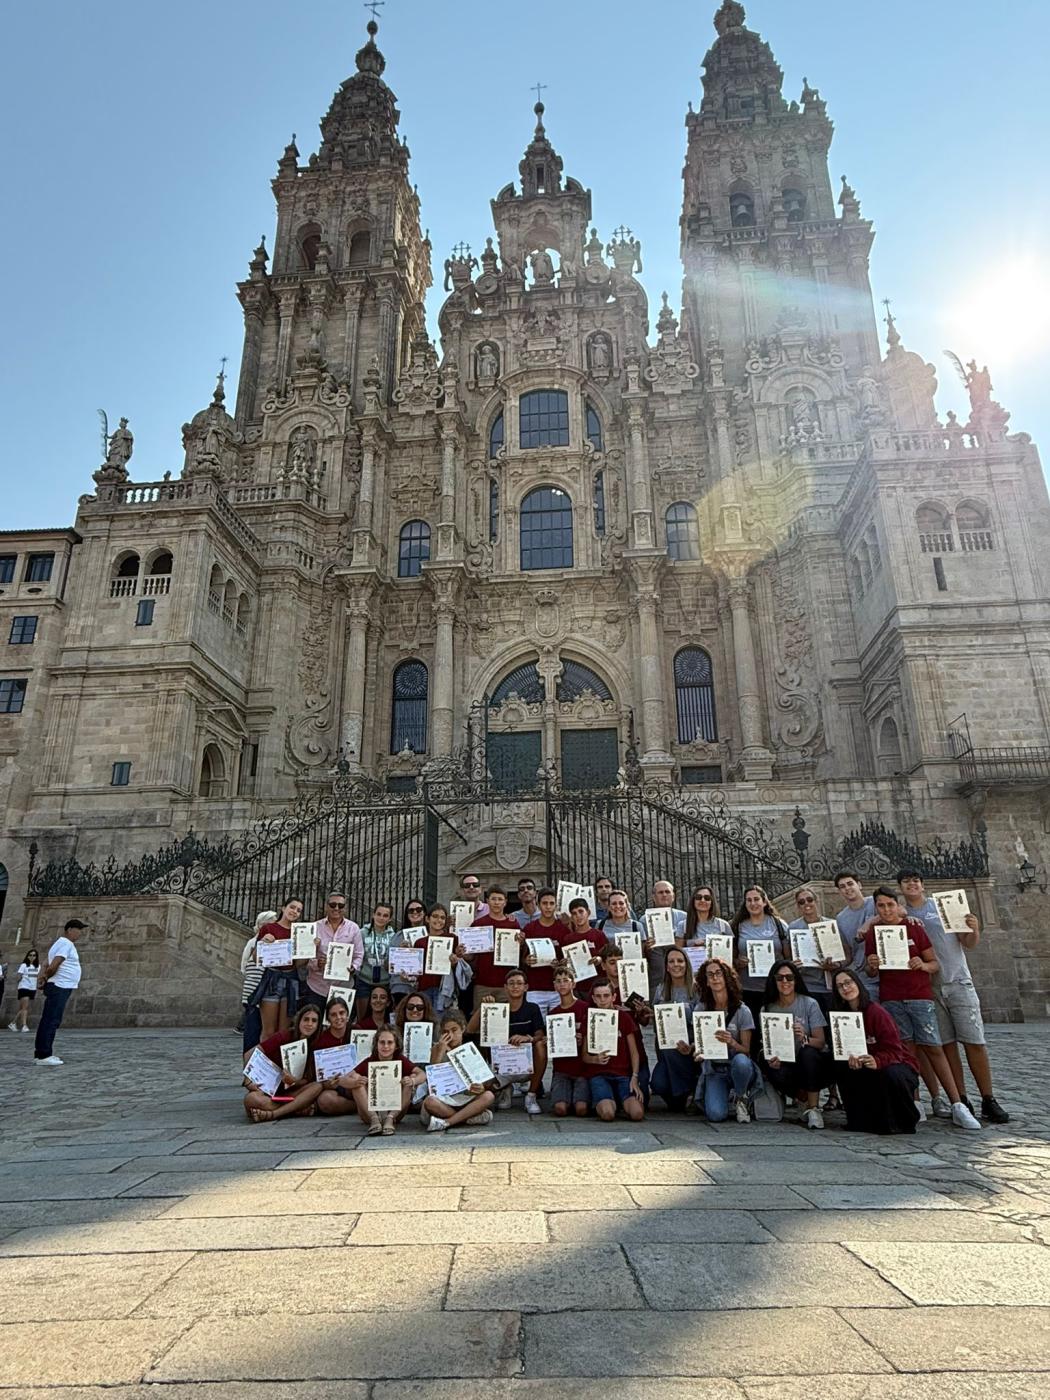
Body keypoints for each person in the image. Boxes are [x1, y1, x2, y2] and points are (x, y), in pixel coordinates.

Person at [863, 886, 981, 1130]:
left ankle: (957, 1103)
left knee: (934, 1047)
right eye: (881, 906)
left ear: (897, 905)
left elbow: (934, 963)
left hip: (919, 996)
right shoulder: (874, 933)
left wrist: (922, 965)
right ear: (876, 909)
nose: (886, 909)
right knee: (907, 1049)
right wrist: (872, 965)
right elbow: (871, 971)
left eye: (889, 904)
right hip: (892, 997)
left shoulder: (914, 927)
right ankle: (915, 1102)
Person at [898, 869, 1008, 1123]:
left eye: (915, 880)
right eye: (906, 882)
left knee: (974, 1041)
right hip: (929, 988)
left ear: (923, 885)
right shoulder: (901, 914)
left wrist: (975, 928)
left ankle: (988, 1098)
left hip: (957, 980)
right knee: (946, 1045)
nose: (912, 884)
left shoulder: (943, 907)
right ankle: (961, 1097)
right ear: (900, 888)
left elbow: (968, 942)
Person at [829, 969, 920, 1135]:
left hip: (896, 1064)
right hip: (863, 1063)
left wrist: (877, 1060)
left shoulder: (876, 1012)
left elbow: (895, 1050)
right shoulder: (841, 1017)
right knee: (841, 1067)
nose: (845, 988)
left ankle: (902, 1120)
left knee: (890, 1073)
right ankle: (859, 1120)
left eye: (848, 982)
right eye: (840, 986)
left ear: (857, 983)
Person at [758, 960, 834, 1129]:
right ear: (773, 981)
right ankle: (801, 1097)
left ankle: (813, 1108)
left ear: (796, 980)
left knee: (808, 1052)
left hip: (811, 1062)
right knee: (764, 1058)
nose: (785, 982)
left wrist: (804, 1038)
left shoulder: (809, 1004)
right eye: (780, 978)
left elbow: (821, 1042)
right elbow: (768, 1043)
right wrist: (772, 1057)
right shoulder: (767, 1009)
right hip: (786, 1062)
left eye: (789, 977)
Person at [469, 969, 547, 1115]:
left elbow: (540, 1035)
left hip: (527, 1066)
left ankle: (531, 1096)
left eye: (519, 983)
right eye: (511, 983)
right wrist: (483, 1008)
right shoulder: (497, 1008)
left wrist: (528, 1038)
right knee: (480, 1088)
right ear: (505, 987)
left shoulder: (532, 1008)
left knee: (541, 1046)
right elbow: (470, 1029)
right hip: (502, 1066)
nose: (515, 987)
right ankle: (505, 1088)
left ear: (526, 987)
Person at [690, 957, 757, 1123]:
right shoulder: (701, 1008)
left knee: (741, 1061)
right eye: (710, 975)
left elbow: (747, 1050)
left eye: (719, 973)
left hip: (736, 1064)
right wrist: (695, 1050)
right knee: (716, 1115)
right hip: (715, 1068)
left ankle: (742, 1097)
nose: (715, 978)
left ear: (726, 978)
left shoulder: (743, 1010)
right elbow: (699, 1043)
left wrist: (732, 1042)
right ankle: (723, 1094)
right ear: (705, 981)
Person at [243, 1002, 324, 1123]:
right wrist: (248, 1081)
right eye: (306, 1020)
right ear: (299, 1021)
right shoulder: (284, 1036)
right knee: (251, 1099)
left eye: (314, 1021)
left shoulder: (316, 1044)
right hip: (270, 1090)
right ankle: (297, 1110)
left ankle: (274, 1114)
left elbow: (308, 1079)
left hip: (293, 1091)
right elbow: (250, 1053)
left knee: (317, 1087)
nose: (309, 1024)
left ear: (318, 1025)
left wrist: (294, 1081)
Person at [342, 1024, 426, 1135]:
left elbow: (422, 1074)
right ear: (376, 1044)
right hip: (371, 1112)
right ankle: (374, 1119)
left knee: (412, 1077)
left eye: (390, 1042)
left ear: (396, 1045)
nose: (385, 1046)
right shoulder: (370, 1060)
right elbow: (343, 1079)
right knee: (355, 1078)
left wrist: (412, 1081)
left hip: (395, 1113)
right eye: (382, 1042)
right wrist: (355, 1082)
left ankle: (389, 1119)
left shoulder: (400, 1060)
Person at [422, 1009, 497, 1131]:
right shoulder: (437, 1048)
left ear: (462, 1029)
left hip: (466, 1098)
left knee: (488, 1096)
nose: (450, 1035)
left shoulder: (471, 1049)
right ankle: (468, 1118)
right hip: (445, 1100)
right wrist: (441, 1050)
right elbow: (432, 1080)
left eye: (454, 1030)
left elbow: (486, 1081)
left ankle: (447, 1122)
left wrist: (481, 1087)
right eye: (446, 1032)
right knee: (430, 1102)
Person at [582, 979, 644, 1122]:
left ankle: (620, 1101)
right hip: (599, 1074)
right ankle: (607, 1101)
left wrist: (634, 1078)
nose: (602, 1000)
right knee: (608, 1114)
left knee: (637, 1114)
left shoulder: (623, 1017)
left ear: (614, 997)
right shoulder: (590, 1018)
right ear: (593, 998)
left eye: (606, 995)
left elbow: (634, 1052)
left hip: (622, 1074)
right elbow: (584, 1056)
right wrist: (595, 1059)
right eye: (598, 996)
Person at [650, 946, 699, 1110]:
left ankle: (689, 1091)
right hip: (668, 1050)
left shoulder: (697, 989)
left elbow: (702, 1021)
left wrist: (693, 1045)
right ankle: (687, 1095)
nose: (676, 965)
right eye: (671, 961)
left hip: (691, 1048)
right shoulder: (661, 990)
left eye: (680, 960)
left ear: (687, 963)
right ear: (666, 966)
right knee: (657, 1084)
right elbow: (657, 1025)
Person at [251, 898, 307, 1039]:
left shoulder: (299, 933)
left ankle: (279, 1061)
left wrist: (310, 950)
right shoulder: (269, 928)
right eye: (292, 907)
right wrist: (262, 944)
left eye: (298, 910)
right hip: (272, 979)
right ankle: (265, 1061)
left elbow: (296, 964)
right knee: (268, 1031)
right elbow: (256, 959)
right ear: (283, 908)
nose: (294, 912)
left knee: (284, 1031)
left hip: (291, 980)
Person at [34, 919, 87, 1066]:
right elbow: (54, 963)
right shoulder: (66, 943)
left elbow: (45, 962)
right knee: (51, 1020)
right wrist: (46, 977)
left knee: (49, 1019)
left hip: (59, 985)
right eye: (78, 930)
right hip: (60, 986)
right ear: (69, 929)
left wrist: (42, 977)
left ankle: (41, 1053)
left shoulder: (58, 944)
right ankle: (44, 1055)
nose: (79, 933)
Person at [732, 886, 789, 1021]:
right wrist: (738, 962)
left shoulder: (779, 924)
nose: (753, 903)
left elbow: (788, 958)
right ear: (745, 904)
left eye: (756, 899)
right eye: (749, 900)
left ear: (764, 902)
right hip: (747, 989)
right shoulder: (737, 926)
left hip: (775, 988)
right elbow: (732, 958)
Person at [303, 893, 364, 1014]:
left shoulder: (353, 928)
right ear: (326, 906)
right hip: (317, 987)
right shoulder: (314, 927)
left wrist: (353, 967)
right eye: (332, 904)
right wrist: (317, 964)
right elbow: (305, 957)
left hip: (343, 988)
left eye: (340, 905)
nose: (336, 908)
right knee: (314, 1026)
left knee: (340, 1026)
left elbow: (359, 955)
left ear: (345, 908)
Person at [467, 885, 521, 1009]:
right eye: (493, 899)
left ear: (505, 902)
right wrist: (462, 951)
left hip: (506, 985)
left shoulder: (513, 924)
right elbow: (469, 956)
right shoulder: (478, 924)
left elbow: (519, 952)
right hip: (482, 984)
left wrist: (521, 942)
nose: (497, 902)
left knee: (504, 1023)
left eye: (500, 899)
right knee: (480, 1022)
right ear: (487, 901)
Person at [520, 887, 573, 1015]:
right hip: (535, 989)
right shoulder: (529, 928)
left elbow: (569, 959)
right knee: (537, 1030)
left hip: (558, 989)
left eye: (551, 903)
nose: (548, 907)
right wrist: (526, 960)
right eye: (544, 903)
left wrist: (562, 964)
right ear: (538, 905)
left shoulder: (564, 930)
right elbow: (521, 959)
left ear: (556, 905)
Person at [547, 964, 591, 1117]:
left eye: (565, 980)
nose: (562, 984)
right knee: (560, 1109)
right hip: (562, 1069)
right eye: (558, 981)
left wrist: (583, 1038)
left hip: (582, 1069)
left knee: (581, 1110)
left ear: (573, 983)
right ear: (554, 986)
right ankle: (565, 1096)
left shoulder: (585, 1008)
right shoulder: (553, 1013)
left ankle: (578, 1098)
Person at [412, 904, 471, 1013]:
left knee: (441, 1023)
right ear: (427, 919)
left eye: (442, 918)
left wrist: (455, 960)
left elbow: (458, 967)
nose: (438, 920)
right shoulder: (420, 942)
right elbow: (416, 969)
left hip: (444, 989)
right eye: (435, 916)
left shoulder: (453, 938)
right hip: (424, 988)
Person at [834, 871, 880, 1000]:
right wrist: (835, 964)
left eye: (850, 884)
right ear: (839, 892)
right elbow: (848, 954)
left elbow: (899, 911)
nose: (847, 888)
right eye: (842, 886)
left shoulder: (875, 901)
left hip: (888, 971)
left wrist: (869, 922)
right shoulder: (840, 918)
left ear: (859, 885)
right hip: (863, 977)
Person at [239, 909, 276, 1052]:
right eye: (269, 924)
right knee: (253, 1032)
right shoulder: (253, 942)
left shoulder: (276, 943)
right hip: (254, 992)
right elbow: (244, 966)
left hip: (267, 994)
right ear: (261, 926)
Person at [642, 879, 688, 995]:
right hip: (657, 979)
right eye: (660, 892)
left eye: (667, 892)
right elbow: (641, 953)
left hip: (682, 976)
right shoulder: (644, 920)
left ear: (673, 896)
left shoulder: (684, 917)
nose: (664, 895)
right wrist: (646, 946)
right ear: (653, 897)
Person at [354, 901, 399, 1017]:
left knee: (383, 1017)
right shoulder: (362, 933)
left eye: (385, 916)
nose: (381, 918)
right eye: (378, 914)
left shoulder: (394, 937)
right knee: (362, 1017)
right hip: (364, 980)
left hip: (385, 982)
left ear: (390, 919)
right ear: (373, 915)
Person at [314, 996, 357, 1117]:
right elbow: (321, 1077)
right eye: (333, 1015)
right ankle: (358, 1106)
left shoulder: (358, 1033)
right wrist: (329, 1083)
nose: (339, 1018)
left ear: (347, 1015)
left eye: (342, 1013)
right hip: (336, 1087)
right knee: (325, 1101)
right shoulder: (321, 1041)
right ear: (328, 1018)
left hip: (357, 1082)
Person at [390, 897, 428, 1003]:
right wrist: (400, 953)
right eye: (411, 910)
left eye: (419, 909)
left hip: (424, 986)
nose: (415, 912)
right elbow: (388, 964)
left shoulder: (431, 935)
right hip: (401, 986)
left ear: (425, 913)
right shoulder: (398, 936)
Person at [683, 886, 733, 958]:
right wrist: (693, 945)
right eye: (698, 897)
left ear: (712, 902)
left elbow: (732, 952)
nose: (703, 900)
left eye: (707, 898)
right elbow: (678, 953)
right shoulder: (683, 925)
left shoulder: (723, 925)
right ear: (693, 901)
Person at [9, 949, 40, 1033]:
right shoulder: (24, 965)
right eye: (30, 955)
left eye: (34, 955)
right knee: (25, 1008)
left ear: (36, 957)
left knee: (23, 1008)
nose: (32, 957)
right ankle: (24, 1025)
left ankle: (13, 1023)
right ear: (27, 956)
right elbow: (19, 976)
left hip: (32, 988)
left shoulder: (38, 966)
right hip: (24, 987)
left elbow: (38, 977)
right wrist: (19, 982)